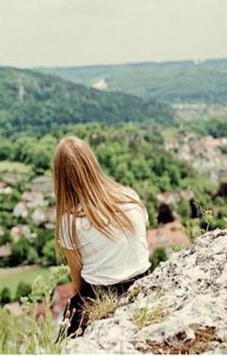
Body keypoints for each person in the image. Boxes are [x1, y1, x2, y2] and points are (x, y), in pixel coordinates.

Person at [53, 136, 151, 338]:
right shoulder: (129, 196)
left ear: (61, 179)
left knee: (67, 332)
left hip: (101, 293)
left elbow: (78, 281)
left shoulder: (70, 221)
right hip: (145, 281)